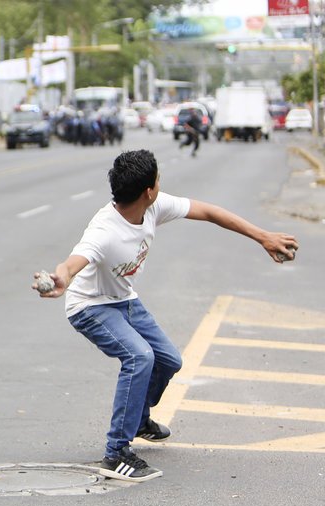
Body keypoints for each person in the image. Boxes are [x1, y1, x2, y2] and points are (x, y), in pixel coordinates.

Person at [33, 149, 297, 482]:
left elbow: (209, 211)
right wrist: (60, 279)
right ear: (147, 190)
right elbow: (73, 262)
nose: (160, 183)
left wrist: (263, 236)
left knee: (168, 360)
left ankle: (138, 418)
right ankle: (116, 452)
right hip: (90, 306)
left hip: (124, 299)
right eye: (158, 179)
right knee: (139, 357)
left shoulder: (153, 206)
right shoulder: (104, 230)